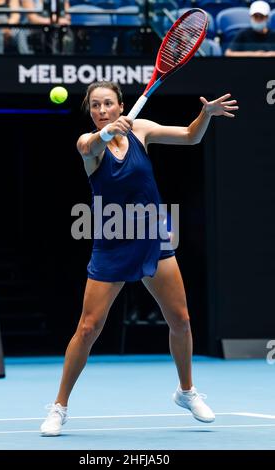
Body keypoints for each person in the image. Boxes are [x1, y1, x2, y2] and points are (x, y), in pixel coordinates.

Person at [40, 81, 238, 436]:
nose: (102, 111)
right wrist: (105, 134)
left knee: (181, 320)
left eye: (108, 104)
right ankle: (59, 407)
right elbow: (87, 146)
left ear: (120, 106)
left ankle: (186, 391)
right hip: (112, 243)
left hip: (153, 238)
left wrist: (204, 115)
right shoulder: (89, 144)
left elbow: (191, 137)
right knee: (88, 329)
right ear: (91, 111)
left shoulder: (141, 130)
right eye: (96, 106)